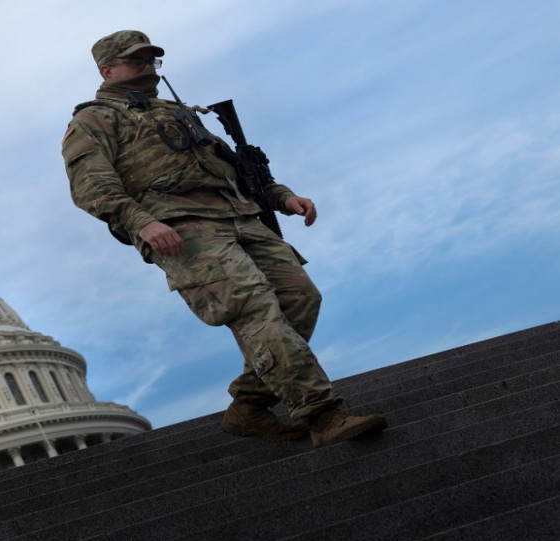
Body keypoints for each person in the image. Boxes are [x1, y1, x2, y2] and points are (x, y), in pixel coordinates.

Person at [61, 30, 386, 448]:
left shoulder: (176, 112)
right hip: (181, 229)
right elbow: (90, 186)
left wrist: (282, 196)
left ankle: (249, 406)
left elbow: (232, 166)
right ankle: (323, 415)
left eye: (150, 61)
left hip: (240, 217)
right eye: (135, 62)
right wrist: (142, 222)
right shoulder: (94, 119)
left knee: (300, 298)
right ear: (107, 70)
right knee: (255, 310)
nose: (147, 69)